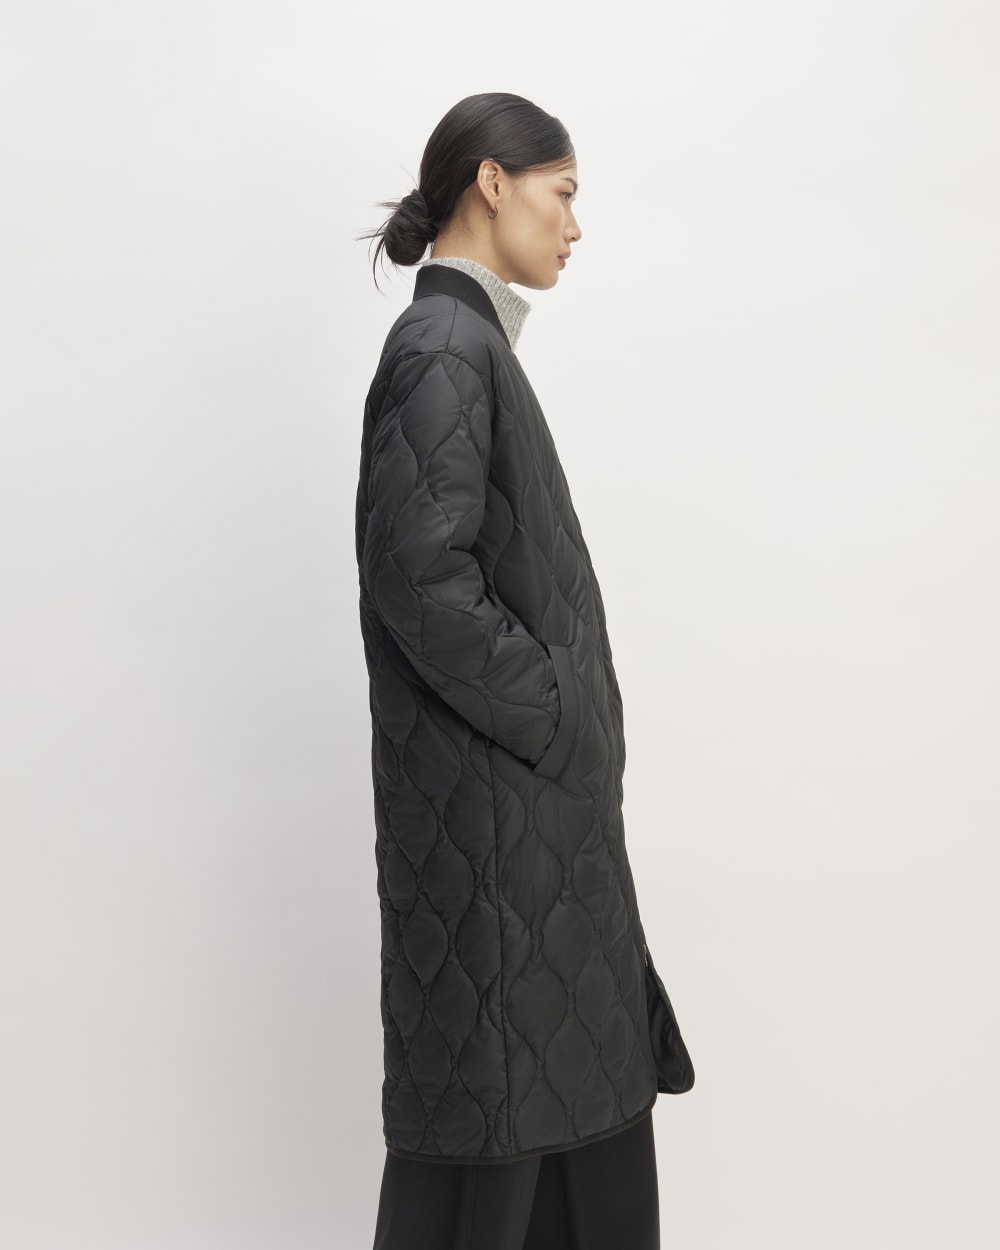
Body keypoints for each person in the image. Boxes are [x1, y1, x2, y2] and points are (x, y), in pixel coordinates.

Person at [355, 92, 694, 1250]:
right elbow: (416, 576)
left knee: (556, 1135)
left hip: (527, 846)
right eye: (564, 193)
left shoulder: (470, 345)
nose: (575, 225)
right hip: (501, 844)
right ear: (492, 182)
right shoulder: (444, 348)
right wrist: (558, 713)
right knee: (498, 1156)